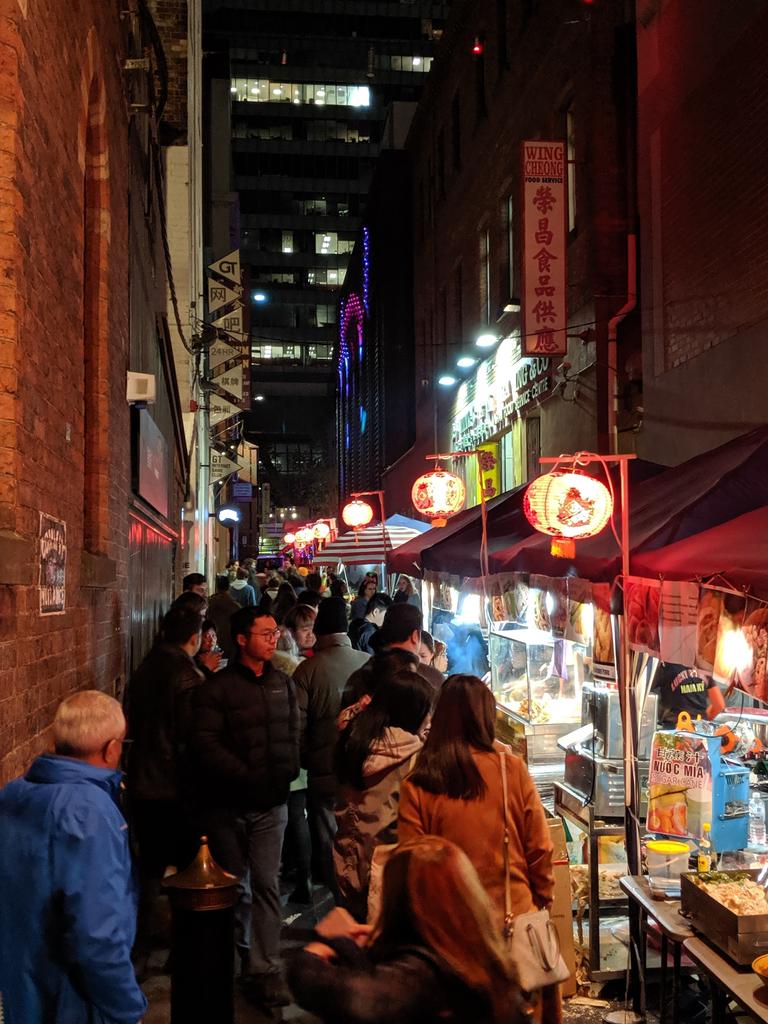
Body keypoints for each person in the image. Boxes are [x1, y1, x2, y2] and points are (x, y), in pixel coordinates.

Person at [398, 674, 560, 1024]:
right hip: (512, 922)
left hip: (447, 933)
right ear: (486, 718)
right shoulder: (509, 770)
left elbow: (410, 863)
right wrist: (543, 897)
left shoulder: (418, 782)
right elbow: (539, 847)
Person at [0, 691, 147, 1024]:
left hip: (23, 985)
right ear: (112, 748)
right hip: (73, 999)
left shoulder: (14, 792)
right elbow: (97, 932)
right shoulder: (89, 812)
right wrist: (126, 1006)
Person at [288, 836, 526, 1024]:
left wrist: (314, 955)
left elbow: (361, 1001)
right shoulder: (483, 956)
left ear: (401, 902)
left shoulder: (421, 974)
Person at [192, 606, 301, 1008]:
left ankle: (266, 966)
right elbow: (205, 745)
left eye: (275, 633)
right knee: (238, 887)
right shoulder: (218, 689)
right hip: (229, 806)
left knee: (268, 885)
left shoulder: (282, 684)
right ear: (241, 639)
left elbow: (292, 732)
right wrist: (245, 775)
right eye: (264, 634)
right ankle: (240, 958)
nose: (273, 640)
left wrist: (286, 771)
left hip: (272, 805)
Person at [125, 606, 206, 953]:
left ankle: (141, 946)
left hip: (144, 781)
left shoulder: (145, 669)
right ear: (194, 637)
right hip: (176, 787)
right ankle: (182, 946)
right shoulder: (188, 676)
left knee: (149, 870)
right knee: (187, 868)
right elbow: (191, 737)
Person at [334, 671, 433, 920]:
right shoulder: (411, 756)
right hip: (383, 863)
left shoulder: (353, 737)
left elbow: (347, 717)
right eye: (426, 712)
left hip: (346, 854)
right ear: (412, 713)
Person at [293, 597, 369, 897]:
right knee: (362, 835)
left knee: (329, 840)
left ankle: (338, 900)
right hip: (364, 770)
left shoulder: (307, 671)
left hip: (323, 771)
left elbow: (297, 728)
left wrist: (306, 758)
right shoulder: (367, 663)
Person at [377, 603, 445, 693]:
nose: (419, 659)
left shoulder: (365, 672)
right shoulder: (431, 679)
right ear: (415, 636)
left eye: (423, 655)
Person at [652, 661, 726, 727]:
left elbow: (646, 691)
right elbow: (719, 705)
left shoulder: (666, 664)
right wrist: (703, 719)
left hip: (674, 728)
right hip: (699, 729)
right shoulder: (704, 666)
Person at [207, 574, 240, 659]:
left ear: (217, 587)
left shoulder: (210, 603)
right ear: (228, 587)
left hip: (212, 641)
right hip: (230, 643)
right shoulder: (234, 605)